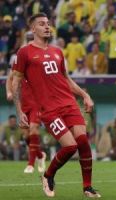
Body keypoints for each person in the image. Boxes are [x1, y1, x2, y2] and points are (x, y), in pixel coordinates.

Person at [11, 13, 100, 198]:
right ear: (33, 28)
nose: (47, 27)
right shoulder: (25, 52)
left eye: (48, 24)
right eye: (42, 24)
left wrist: (85, 95)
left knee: (83, 142)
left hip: (69, 103)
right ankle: (48, 175)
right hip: (49, 110)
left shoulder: (57, 51)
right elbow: (16, 82)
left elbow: (66, 79)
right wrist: (20, 111)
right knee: (70, 146)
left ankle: (87, 187)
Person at [6, 31, 47, 173]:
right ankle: (41, 156)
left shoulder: (39, 58)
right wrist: (9, 92)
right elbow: (10, 78)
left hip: (36, 103)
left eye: (32, 38)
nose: (30, 41)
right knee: (26, 136)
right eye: (28, 38)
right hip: (24, 104)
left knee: (34, 129)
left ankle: (30, 164)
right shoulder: (21, 57)